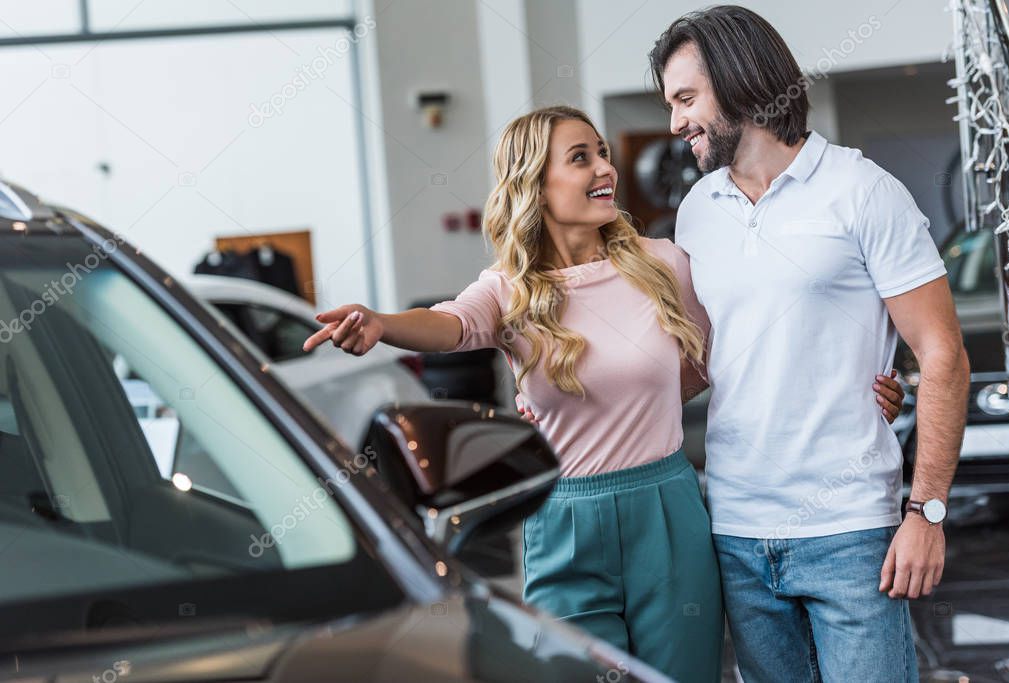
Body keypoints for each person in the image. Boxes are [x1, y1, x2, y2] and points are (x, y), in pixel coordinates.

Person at [303, 105, 905, 681]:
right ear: (536, 185)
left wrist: (858, 381)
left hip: (666, 512)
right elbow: (451, 323)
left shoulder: (662, 264)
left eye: (602, 153)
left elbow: (745, 344)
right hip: (563, 521)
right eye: (581, 158)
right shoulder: (511, 290)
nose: (604, 169)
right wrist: (382, 324)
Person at [646, 6, 970, 681]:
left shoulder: (862, 191)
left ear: (738, 82)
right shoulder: (698, 210)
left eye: (685, 99)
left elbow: (942, 355)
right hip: (734, 527)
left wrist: (925, 510)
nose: (674, 123)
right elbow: (703, 360)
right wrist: (570, 398)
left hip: (849, 531)